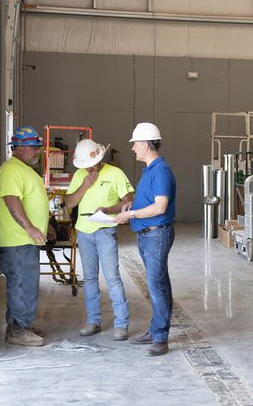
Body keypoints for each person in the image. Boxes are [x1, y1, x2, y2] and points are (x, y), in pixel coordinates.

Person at [114, 122, 176, 356]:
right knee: (160, 284)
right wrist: (134, 205)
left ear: (147, 144)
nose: (132, 148)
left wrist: (129, 214)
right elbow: (151, 201)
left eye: (136, 144)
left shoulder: (160, 170)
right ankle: (156, 329)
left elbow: (160, 206)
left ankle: (160, 337)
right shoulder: (150, 170)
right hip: (149, 234)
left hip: (156, 235)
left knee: (157, 285)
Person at [65, 139, 135, 341]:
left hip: (105, 230)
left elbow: (129, 201)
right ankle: (93, 321)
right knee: (89, 279)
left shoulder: (115, 174)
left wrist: (109, 210)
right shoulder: (80, 175)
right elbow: (69, 203)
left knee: (112, 277)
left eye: (90, 165)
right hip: (84, 232)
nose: (88, 169)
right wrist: (85, 186)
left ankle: (121, 324)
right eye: (84, 166)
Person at [0, 126, 50, 347]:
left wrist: (45, 226)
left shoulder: (22, 168)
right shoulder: (11, 170)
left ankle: (21, 324)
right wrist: (30, 228)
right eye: (32, 147)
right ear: (17, 147)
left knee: (26, 284)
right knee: (21, 285)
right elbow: (12, 200)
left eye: (37, 147)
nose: (36, 151)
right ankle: (19, 329)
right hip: (18, 241)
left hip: (25, 241)